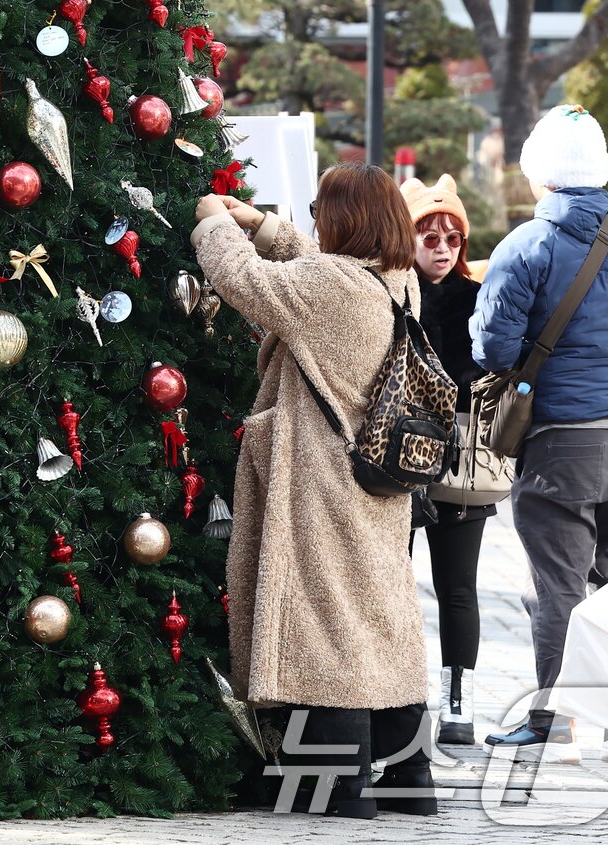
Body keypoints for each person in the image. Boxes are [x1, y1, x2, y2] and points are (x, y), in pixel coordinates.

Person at [192, 162, 437, 820]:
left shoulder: (331, 288)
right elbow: (320, 269)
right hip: (378, 479)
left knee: (326, 624)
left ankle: (337, 784)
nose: (316, 220)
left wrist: (215, 225)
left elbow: (248, 283)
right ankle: (409, 774)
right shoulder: (398, 281)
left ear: (344, 219)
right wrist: (264, 226)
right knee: (382, 619)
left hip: (323, 480)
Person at [473, 104, 608, 763]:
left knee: (557, 582)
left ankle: (553, 718)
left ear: (540, 174)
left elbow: (493, 349)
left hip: (565, 437)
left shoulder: (527, 245)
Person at [400, 174, 494, 747]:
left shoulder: (479, 299)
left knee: (458, 586)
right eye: (429, 236)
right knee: (392, 583)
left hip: (460, 461)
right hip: (395, 462)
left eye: (452, 239)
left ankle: (458, 702)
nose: (442, 248)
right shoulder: (388, 291)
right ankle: (399, 698)